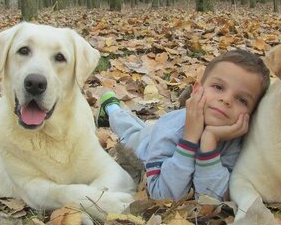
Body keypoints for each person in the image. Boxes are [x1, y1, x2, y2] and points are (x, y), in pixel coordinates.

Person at [96, 49, 270, 201]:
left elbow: (212, 199)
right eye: (218, 87)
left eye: (242, 99)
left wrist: (209, 141)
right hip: (144, 144)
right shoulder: (171, 130)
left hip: (161, 130)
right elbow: (161, 196)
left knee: (141, 126)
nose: (226, 99)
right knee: (130, 132)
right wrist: (189, 139)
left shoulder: (234, 140)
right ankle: (111, 107)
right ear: (196, 90)